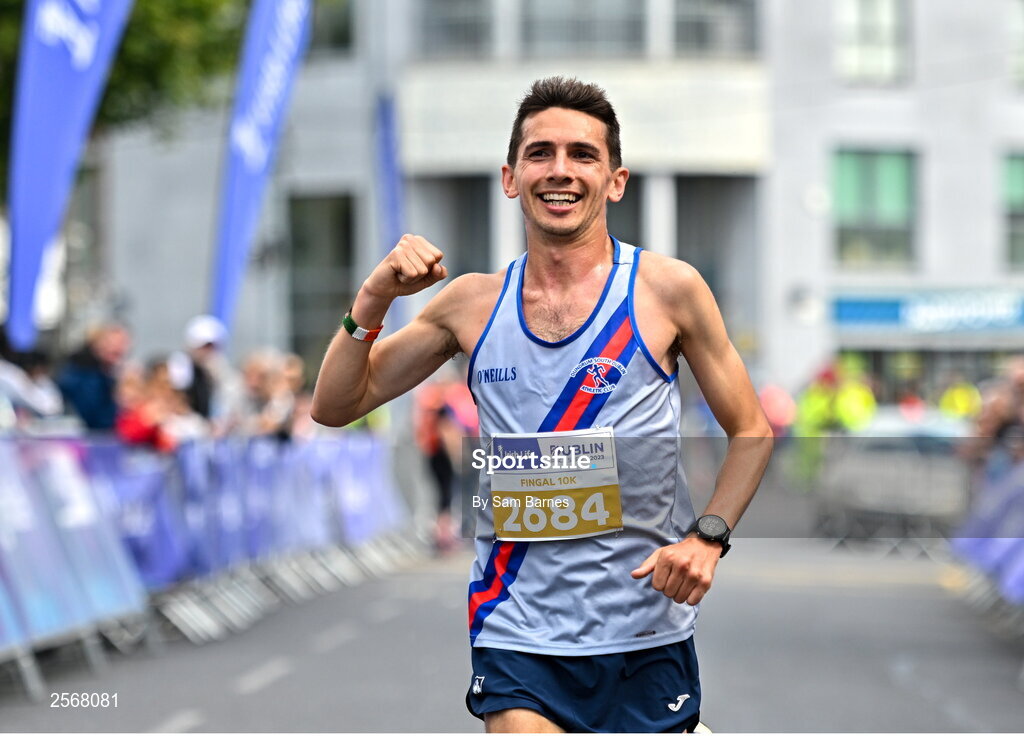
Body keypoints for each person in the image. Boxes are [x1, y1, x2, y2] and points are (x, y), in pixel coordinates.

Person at [312, 77, 772, 733]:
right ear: (510, 176)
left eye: (583, 154)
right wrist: (373, 299)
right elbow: (336, 404)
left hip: (644, 627)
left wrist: (709, 537)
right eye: (540, 153)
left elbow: (751, 431)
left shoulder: (668, 290)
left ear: (615, 180)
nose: (560, 170)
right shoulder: (469, 305)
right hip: (517, 624)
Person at [56, 322, 131, 431]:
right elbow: (94, 416)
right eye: (111, 343)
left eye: (123, 343)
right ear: (97, 344)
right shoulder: (81, 374)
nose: (117, 349)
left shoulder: (112, 373)